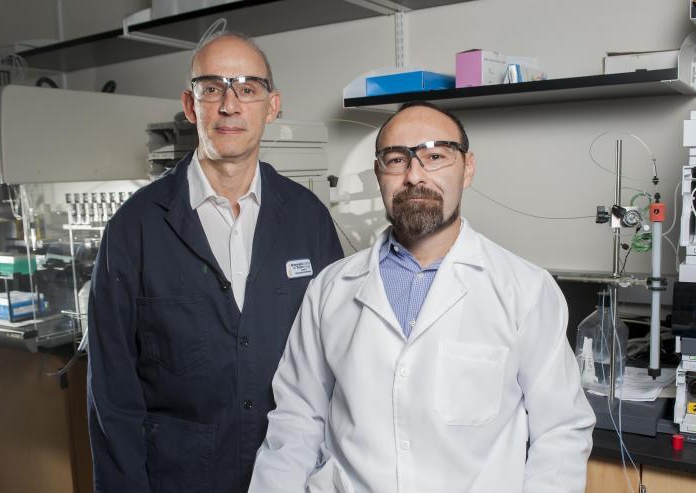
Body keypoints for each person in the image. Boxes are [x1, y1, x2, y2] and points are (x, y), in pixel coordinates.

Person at [249, 102, 595, 493]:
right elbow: (296, 421)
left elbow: (560, 431)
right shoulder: (331, 288)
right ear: (379, 174)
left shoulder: (526, 290)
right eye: (396, 160)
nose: (415, 176)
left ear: (467, 168)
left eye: (435, 156)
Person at [87, 32, 343, 493]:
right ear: (190, 105)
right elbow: (113, 395)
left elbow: (337, 362)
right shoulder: (135, 227)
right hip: (180, 477)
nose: (229, 105)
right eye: (212, 88)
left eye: (247, 88)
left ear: (272, 105)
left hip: (293, 473)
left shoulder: (309, 220)